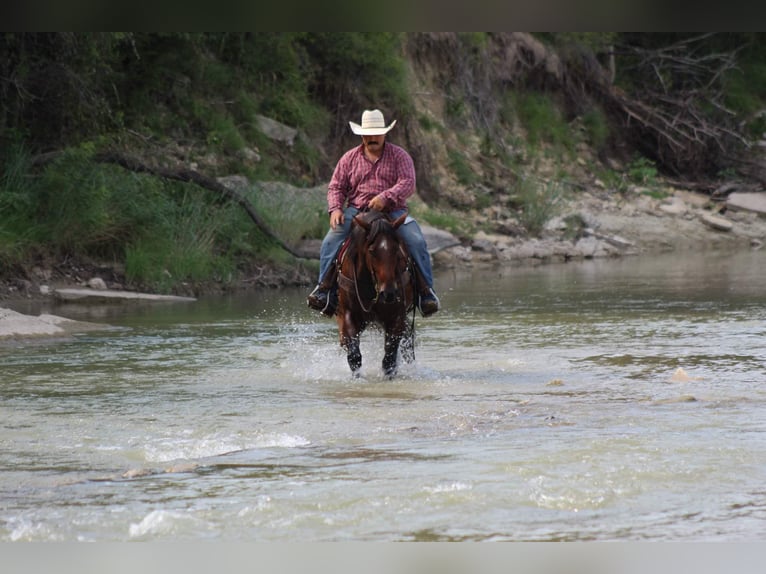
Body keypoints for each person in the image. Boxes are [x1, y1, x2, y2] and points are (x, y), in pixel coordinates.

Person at [307, 108, 440, 318]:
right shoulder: (349, 158)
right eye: (368, 134)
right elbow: (336, 187)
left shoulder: (399, 156)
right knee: (331, 240)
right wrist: (335, 209)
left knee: (415, 240)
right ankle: (324, 290)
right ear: (362, 135)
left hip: (393, 210)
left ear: (385, 133)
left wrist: (385, 197)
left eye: (376, 133)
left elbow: (408, 183)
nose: (372, 138)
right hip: (357, 211)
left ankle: (426, 293)